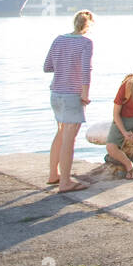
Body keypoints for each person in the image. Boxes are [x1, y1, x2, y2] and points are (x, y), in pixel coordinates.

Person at [44, 10, 94, 193]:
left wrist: (63, 65)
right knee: (69, 139)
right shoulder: (86, 43)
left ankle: (53, 175)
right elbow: (86, 70)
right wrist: (85, 95)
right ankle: (65, 182)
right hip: (72, 95)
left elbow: (47, 66)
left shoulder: (58, 40)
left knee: (60, 132)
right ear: (88, 25)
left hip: (55, 93)